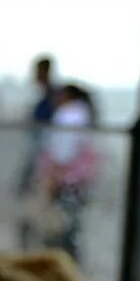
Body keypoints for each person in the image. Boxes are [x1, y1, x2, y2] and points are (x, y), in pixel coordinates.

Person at [38, 81, 103, 261]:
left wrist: (54, 177)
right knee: (72, 224)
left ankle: (63, 264)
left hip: (68, 179)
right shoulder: (82, 114)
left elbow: (63, 151)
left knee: (63, 226)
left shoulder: (68, 116)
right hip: (80, 179)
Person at [19, 54, 58, 245]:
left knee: (41, 213)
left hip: (45, 164)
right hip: (40, 160)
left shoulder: (52, 99)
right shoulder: (46, 97)